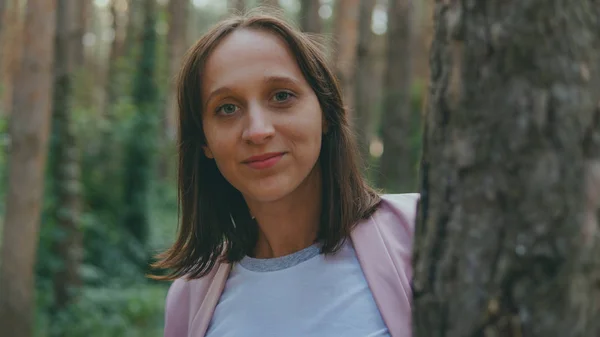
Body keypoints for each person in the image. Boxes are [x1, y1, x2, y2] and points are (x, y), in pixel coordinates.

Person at [153, 9, 418, 337]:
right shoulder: (191, 295)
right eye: (227, 108)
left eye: (281, 96)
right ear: (204, 141)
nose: (257, 131)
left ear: (325, 113)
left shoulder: (418, 232)